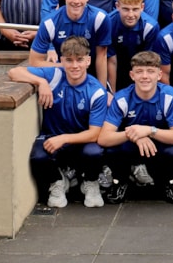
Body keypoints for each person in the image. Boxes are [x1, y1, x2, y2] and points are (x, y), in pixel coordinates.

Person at [8, 36, 108, 209]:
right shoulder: (54, 75)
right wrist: (41, 81)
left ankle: (90, 182)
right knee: (38, 156)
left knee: (94, 152)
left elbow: (94, 133)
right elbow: (14, 72)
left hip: (81, 140)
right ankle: (57, 182)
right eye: (69, 60)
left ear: (88, 61)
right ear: (61, 61)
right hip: (52, 137)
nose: (74, 66)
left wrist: (64, 138)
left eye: (79, 60)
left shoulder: (96, 91)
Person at [97, 51, 173, 204]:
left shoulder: (170, 96)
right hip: (131, 144)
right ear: (132, 75)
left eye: (150, 71)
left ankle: (169, 182)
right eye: (139, 71)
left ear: (159, 75)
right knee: (112, 149)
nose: (145, 76)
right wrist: (134, 134)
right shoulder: (122, 98)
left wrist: (149, 131)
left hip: (158, 142)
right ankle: (120, 182)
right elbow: (104, 138)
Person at [29, 0, 111, 88]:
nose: (76, 1)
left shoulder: (100, 18)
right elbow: (34, 62)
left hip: (91, 77)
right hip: (62, 79)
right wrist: (65, 65)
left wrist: (102, 90)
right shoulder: (50, 23)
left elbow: (101, 57)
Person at [106, 0, 159, 93]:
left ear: (142, 7)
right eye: (125, 9)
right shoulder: (108, 23)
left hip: (140, 68)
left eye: (135, 9)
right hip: (117, 68)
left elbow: (148, 61)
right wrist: (113, 93)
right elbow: (111, 60)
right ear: (117, 6)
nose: (131, 14)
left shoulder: (150, 27)